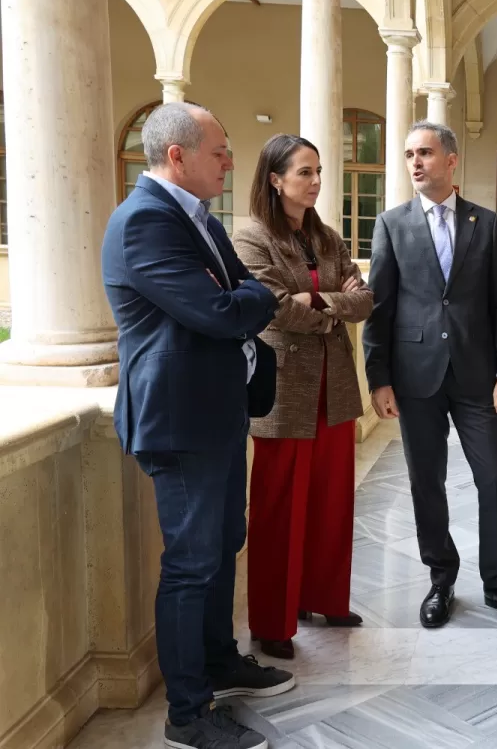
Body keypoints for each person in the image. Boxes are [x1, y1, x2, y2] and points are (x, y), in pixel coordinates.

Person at [101, 102, 294, 749]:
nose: (231, 162)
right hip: (179, 421)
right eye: (219, 151)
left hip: (218, 411)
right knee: (189, 562)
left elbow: (246, 289)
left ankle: (218, 660)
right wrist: (246, 297)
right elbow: (224, 309)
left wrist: (244, 296)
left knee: (222, 543)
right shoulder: (144, 222)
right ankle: (187, 713)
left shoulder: (200, 219)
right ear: (177, 155)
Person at [362, 120, 497, 628]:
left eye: (425, 152)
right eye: (409, 154)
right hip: (415, 376)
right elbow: (380, 308)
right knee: (426, 482)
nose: (415, 162)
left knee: (494, 478)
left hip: (477, 374)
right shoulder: (392, 225)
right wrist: (379, 378)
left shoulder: (486, 223)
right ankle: (441, 577)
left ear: (451, 160)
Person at [233, 134, 374, 660]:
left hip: (334, 388)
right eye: (304, 172)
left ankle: (324, 598)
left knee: (333, 502)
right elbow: (273, 307)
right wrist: (333, 306)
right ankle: (273, 621)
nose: (316, 181)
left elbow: (365, 300)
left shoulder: (327, 237)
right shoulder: (251, 238)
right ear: (275, 179)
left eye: (318, 171)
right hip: (284, 391)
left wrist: (314, 298)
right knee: (278, 509)